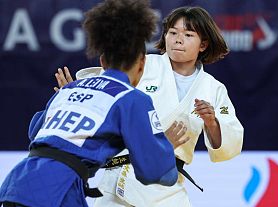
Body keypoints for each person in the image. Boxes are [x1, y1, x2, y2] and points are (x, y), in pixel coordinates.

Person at [55, 6, 244, 207]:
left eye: (188, 34)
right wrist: (76, 96)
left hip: (167, 188)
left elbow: (229, 148)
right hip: (119, 180)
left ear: (203, 45)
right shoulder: (143, 64)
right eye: (172, 32)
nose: (177, 39)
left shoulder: (213, 88)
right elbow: (107, 87)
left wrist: (212, 122)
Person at [0, 0, 180, 206]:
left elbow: (34, 131)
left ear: (102, 61)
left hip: (16, 185)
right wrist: (163, 147)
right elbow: (155, 172)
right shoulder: (132, 98)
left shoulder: (71, 88)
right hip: (58, 192)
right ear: (142, 62)